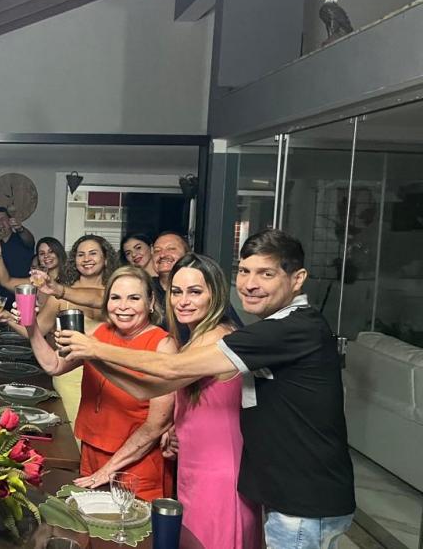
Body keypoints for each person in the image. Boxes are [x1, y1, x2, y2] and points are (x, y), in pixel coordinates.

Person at [56, 230, 355, 547]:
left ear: (297, 279)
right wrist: (92, 356)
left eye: (266, 274)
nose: (250, 284)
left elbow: (170, 368)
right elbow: (150, 388)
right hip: (255, 481)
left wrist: (95, 348)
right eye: (244, 271)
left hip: (296, 493)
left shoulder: (287, 328)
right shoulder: (262, 329)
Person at [86, 253, 262, 548]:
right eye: (177, 292)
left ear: (215, 294)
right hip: (194, 466)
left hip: (220, 474)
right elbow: (189, 398)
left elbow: (150, 385)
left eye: (195, 292)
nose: (183, 301)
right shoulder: (197, 336)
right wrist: (177, 425)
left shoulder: (216, 337)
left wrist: (95, 351)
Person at [24, 265, 176, 501]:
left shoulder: (162, 344)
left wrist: (108, 470)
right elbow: (54, 365)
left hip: (136, 461)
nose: (123, 306)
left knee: (128, 523)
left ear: (151, 302)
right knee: (88, 520)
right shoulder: (102, 333)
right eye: (115, 298)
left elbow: (157, 424)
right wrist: (31, 326)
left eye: (134, 298)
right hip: (92, 451)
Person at [1, 235, 118, 427]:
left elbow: (100, 298)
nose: (86, 259)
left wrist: (60, 290)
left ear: (106, 259)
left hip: (112, 378)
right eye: (80, 254)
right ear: (74, 261)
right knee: (74, 434)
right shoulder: (59, 295)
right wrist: (12, 319)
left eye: (93, 253)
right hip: (69, 374)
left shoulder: (118, 294)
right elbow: (37, 330)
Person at [0, 207, 34, 302]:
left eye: (2, 219)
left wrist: (20, 228)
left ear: (10, 222)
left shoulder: (22, 240)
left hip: (23, 295)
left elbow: (30, 240)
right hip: (0, 299)